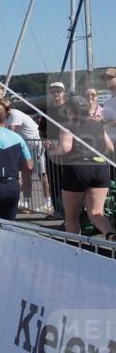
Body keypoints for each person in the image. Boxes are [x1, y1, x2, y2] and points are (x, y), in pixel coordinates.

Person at [49, 97, 114, 237]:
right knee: (96, 213)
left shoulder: (68, 125)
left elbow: (65, 148)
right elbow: (109, 147)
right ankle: (111, 237)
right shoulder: (98, 125)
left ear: (70, 111)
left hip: (78, 168)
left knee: (71, 216)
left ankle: (75, 247)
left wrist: (52, 150)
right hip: (99, 167)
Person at [41, 81, 69, 214]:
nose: (56, 93)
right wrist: (44, 140)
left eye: (58, 91)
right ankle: (57, 209)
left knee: (68, 180)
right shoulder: (48, 109)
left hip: (68, 151)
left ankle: (70, 211)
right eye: (53, 91)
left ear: (64, 92)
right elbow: (41, 130)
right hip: (51, 151)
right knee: (53, 180)